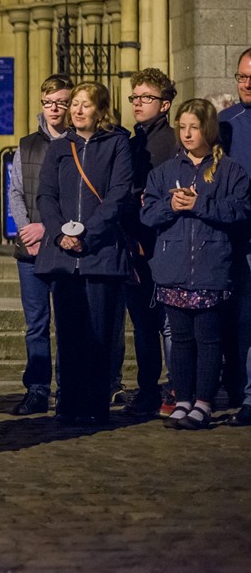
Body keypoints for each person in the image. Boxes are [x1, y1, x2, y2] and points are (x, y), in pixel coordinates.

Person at [143, 98, 250, 429]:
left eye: (194, 127)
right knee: (181, 339)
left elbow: (241, 212)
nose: (187, 133)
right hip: (173, 267)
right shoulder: (164, 172)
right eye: (182, 127)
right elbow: (146, 215)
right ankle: (183, 398)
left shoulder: (231, 170)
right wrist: (171, 206)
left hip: (211, 267)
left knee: (207, 338)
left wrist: (200, 203)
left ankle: (203, 402)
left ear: (209, 129)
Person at [34, 81, 134, 425]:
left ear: (101, 110)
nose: (76, 110)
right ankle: (69, 402)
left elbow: (119, 195)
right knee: (70, 333)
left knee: (100, 333)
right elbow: (45, 195)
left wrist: (87, 235)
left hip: (100, 255)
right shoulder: (60, 148)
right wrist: (60, 232)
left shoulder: (117, 144)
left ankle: (95, 404)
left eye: (85, 105)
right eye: (73, 104)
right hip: (63, 257)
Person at [7, 74, 72, 416]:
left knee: (65, 322)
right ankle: (37, 388)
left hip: (63, 244)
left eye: (61, 102)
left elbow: (77, 200)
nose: (54, 109)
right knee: (36, 323)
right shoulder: (27, 144)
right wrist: (25, 231)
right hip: (29, 250)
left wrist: (46, 230)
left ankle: (66, 389)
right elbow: (15, 192)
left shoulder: (79, 143)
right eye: (49, 102)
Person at [121, 68, 178, 416]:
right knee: (142, 324)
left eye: (146, 98)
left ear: (165, 104)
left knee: (169, 324)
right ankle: (147, 391)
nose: (138, 104)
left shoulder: (173, 140)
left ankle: (175, 388)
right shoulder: (130, 143)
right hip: (135, 245)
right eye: (134, 97)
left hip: (166, 244)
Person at [219, 47, 251, 425]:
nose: (245, 85)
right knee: (241, 321)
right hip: (235, 238)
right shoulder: (225, 123)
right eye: (241, 77)